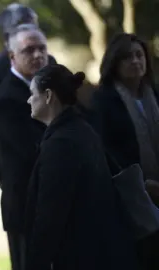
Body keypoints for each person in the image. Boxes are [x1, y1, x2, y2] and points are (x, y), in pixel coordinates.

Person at [25, 64, 137, 270]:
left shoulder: (61, 142)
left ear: (48, 95)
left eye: (33, 93)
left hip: (80, 255)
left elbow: (51, 212)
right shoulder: (81, 129)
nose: (29, 100)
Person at [91, 33, 159, 270]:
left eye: (139, 55)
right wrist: (141, 182)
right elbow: (105, 149)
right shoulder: (103, 100)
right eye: (127, 57)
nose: (135, 61)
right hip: (129, 195)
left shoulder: (155, 94)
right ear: (114, 63)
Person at [0, 24, 49, 270]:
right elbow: (31, 153)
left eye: (41, 48)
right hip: (26, 207)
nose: (37, 55)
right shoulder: (7, 100)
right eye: (29, 50)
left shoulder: (50, 87)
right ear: (12, 57)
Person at [0, 2, 56, 181]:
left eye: (33, 26)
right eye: (21, 27)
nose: (28, 31)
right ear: (7, 37)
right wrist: (2, 172)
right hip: (18, 174)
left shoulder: (50, 62)